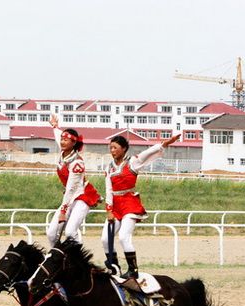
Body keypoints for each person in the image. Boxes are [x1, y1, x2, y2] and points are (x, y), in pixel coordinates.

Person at [102, 133, 180, 280]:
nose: (112, 150)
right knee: (106, 239)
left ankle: (133, 270)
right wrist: (109, 210)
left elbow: (148, 152)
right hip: (115, 205)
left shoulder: (133, 162)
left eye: (115, 147)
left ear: (124, 149)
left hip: (130, 203)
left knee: (124, 237)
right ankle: (114, 267)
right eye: (110, 147)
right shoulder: (109, 168)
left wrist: (165, 143)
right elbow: (108, 190)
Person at [46, 114, 101, 247]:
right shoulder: (64, 153)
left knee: (70, 232)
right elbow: (58, 135)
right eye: (62, 139)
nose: (62, 142)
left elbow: (71, 188)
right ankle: (56, 260)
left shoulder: (77, 163)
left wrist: (63, 212)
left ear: (74, 143)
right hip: (70, 196)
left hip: (82, 196)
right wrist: (55, 127)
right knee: (52, 234)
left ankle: (79, 261)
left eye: (66, 140)